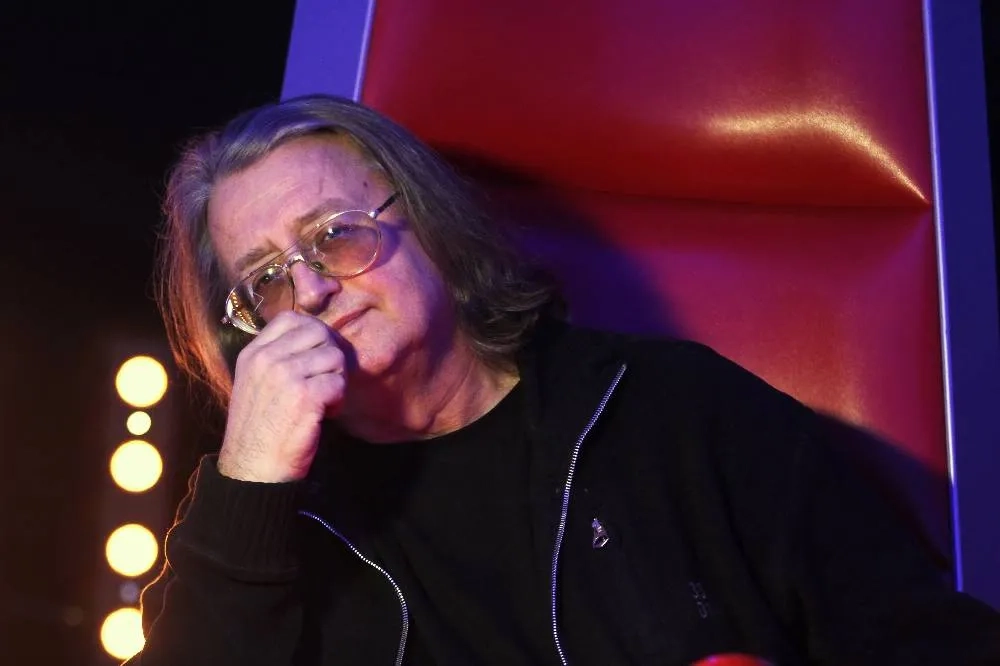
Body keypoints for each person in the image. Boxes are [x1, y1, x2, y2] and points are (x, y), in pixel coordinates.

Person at [129, 94, 1000, 666]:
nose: (312, 289)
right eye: (265, 281)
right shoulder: (268, 526)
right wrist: (248, 488)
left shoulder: (674, 412)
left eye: (333, 235)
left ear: (426, 223)